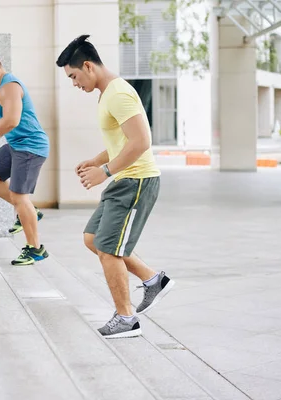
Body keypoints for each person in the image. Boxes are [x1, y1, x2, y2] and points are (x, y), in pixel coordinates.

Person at [56, 35, 175, 338]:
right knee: (93, 239)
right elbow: (121, 141)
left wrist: (104, 171)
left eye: (73, 76)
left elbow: (141, 142)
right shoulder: (107, 93)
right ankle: (153, 281)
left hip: (135, 182)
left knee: (108, 250)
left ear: (87, 66)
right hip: (124, 180)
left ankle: (127, 319)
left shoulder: (119, 93)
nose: (74, 83)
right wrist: (96, 161)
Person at [0, 45, 49, 266]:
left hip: (30, 147)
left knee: (20, 197)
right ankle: (30, 211)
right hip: (16, 144)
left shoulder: (9, 86)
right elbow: (12, 122)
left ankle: (35, 250)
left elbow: (12, 120)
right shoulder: (1, 86)